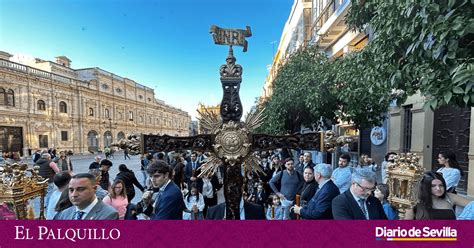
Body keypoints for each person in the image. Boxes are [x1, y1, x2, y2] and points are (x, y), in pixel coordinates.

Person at [405, 172, 473, 220]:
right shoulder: (414, 201)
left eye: (441, 185)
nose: (438, 188)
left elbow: (472, 205)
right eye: (433, 186)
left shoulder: (450, 197)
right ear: (425, 187)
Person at [54, 173, 118, 220]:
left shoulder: (109, 214)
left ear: (94, 189)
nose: (74, 195)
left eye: (81, 189)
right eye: (71, 190)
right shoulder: (64, 214)